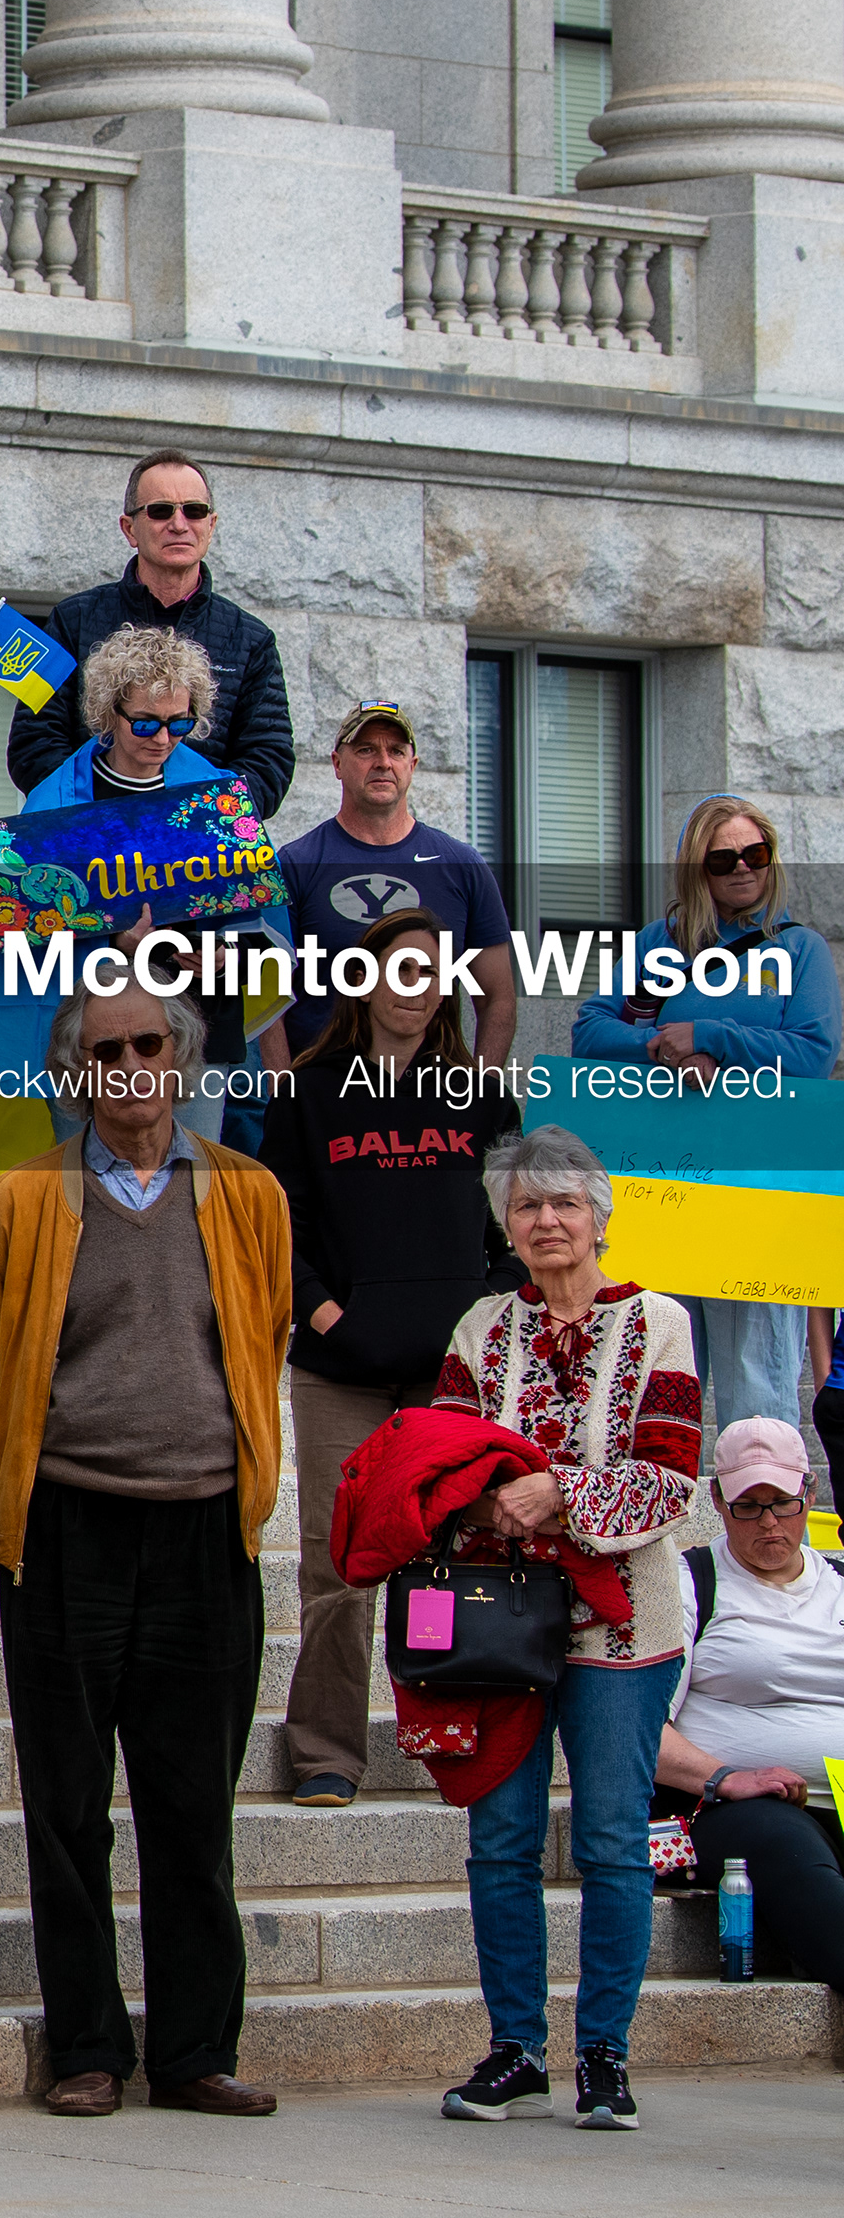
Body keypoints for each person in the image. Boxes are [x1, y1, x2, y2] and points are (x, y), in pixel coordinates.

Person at [0, 980, 289, 2120]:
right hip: (66, 1526)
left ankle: (197, 2049)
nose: (128, 1067)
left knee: (193, 1804)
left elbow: (265, 1333)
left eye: (148, 1044)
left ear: (183, 1056)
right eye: (103, 1050)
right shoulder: (22, 1200)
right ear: (74, 1069)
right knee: (67, 1805)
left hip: (209, 1525)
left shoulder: (249, 1194)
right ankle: (88, 2049)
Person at [417, 1126, 700, 2129]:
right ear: (507, 1219)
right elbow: (439, 1458)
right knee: (500, 1840)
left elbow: (669, 1471)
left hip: (623, 1631)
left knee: (615, 1840)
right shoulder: (481, 1329)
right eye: (528, 1205)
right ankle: (515, 2049)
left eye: (564, 1204)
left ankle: (606, 2057)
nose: (547, 1221)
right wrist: (498, 1504)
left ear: (600, 1216)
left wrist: (553, 1494)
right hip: (501, 1624)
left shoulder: (660, 1322)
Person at [258, 907, 516, 1807]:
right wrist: (326, 1314)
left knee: (453, 1552)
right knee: (338, 1563)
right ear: (364, 983)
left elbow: (518, 1225)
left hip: (452, 1377)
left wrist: (487, 1316)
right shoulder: (307, 1090)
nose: (417, 987)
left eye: (432, 972)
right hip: (340, 1374)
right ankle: (326, 1749)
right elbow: (274, 1219)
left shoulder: (479, 1094)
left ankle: (453, 1738)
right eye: (400, 970)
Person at [573, 792, 840, 1447]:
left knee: (759, 1394)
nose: (743, 868)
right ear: (698, 869)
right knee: (660, 1391)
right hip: (671, 1193)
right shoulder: (663, 945)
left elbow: (813, 1054)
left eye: (757, 854)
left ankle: (767, 1540)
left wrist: (712, 1035)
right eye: (725, 859)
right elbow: (590, 1031)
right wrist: (661, 1046)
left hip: (763, 1195)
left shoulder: (798, 950)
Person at [0, 621, 273, 1144]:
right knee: (80, 1173)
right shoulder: (56, 801)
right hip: (84, 1030)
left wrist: (225, 952)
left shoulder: (219, 794)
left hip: (195, 1020)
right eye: (145, 723)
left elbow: (259, 917)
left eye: (179, 724)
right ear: (109, 714)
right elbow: (21, 928)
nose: (163, 739)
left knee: (190, 1176)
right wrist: (112, 940)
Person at [656, 1421, 844, 1994]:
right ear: (717, 1501)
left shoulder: (838, 1582)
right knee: (781, 1842)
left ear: (809, 1495)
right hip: (725, 1806)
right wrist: (725, 1777)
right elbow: (638, 1728)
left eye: (783, 1503)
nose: (768, 1522)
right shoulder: (689, 1583)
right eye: (748, 1506)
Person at [4, 451, 297, 818]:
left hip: (199, 851)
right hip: (89, 840)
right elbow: (32, 745)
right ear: (129, 528)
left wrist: (184, 820)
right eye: (160, 511)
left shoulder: (252, 640)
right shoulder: (70, 619)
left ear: (212, 524)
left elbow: (269, 765)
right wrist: (109, 815)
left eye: (194, 510)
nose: (179, 524)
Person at [253, 701, 520, 1074]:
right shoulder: (295, 864)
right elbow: (267, 993)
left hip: (433, 1093)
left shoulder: (462, 867)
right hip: (325, 1092)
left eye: (396, 751)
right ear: (337, 764)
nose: (382, 762)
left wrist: (480, 1090)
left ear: (412, 766)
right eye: (365, 750)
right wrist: (284, 1092)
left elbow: (497, 997)